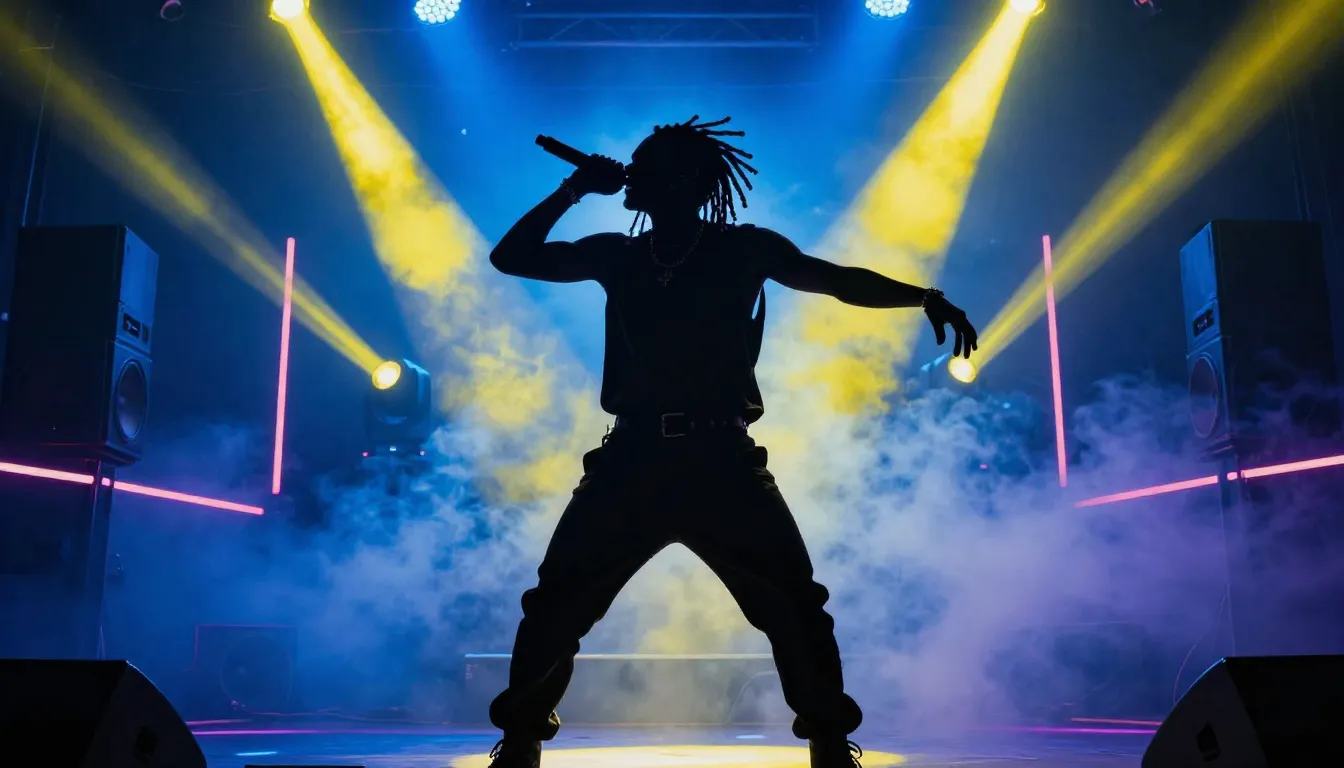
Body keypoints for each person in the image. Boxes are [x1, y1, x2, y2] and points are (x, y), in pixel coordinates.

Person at [484, 116, 978, 768]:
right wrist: (573, 189)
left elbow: (834, 279)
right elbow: (511, 256)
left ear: (684, 179)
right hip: (631, 458)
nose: (630, 172)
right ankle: (520, 743)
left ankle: (831, 745)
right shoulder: (617, 254)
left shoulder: (743, 248)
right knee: (555, 603)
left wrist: (923, 297)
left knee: (795, 606)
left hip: (721, 459)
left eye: (645, 164)